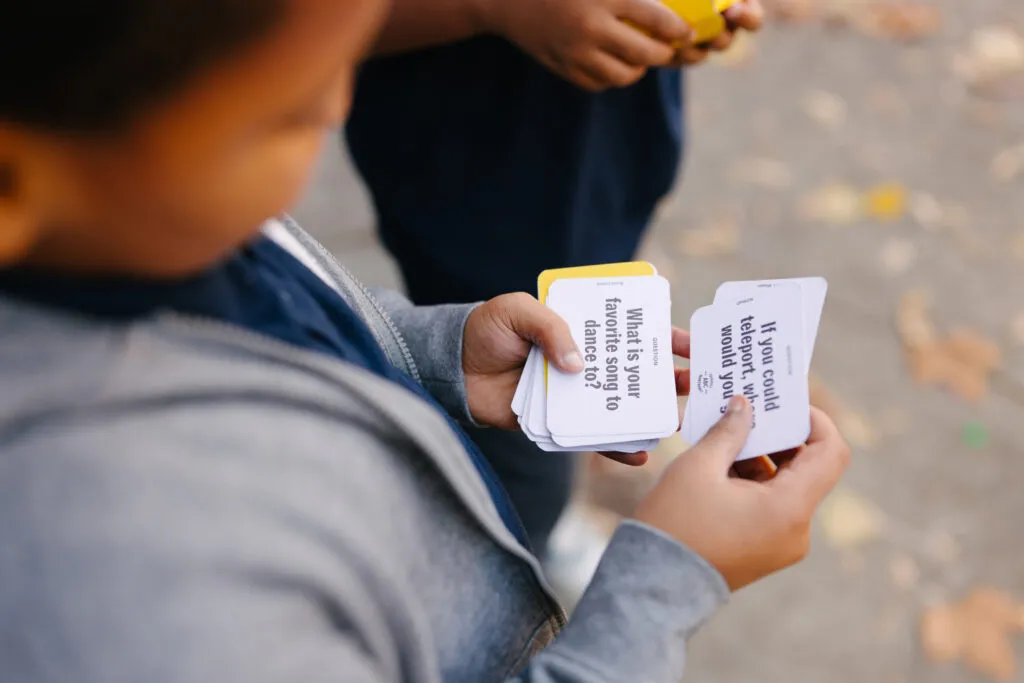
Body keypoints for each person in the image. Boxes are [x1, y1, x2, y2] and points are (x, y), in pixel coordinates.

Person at [0, 1, 848, 681]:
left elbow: (288, 313)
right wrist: (665, 586)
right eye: (290, 115)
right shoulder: (123, 601)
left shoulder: (130, 229)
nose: (341, 106)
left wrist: (429, 354)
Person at [346, 0, 765, 553]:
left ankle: (534, 519)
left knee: (541, 386)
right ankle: (519, 539)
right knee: (517, 435)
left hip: (607, 159)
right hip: (474, 186)